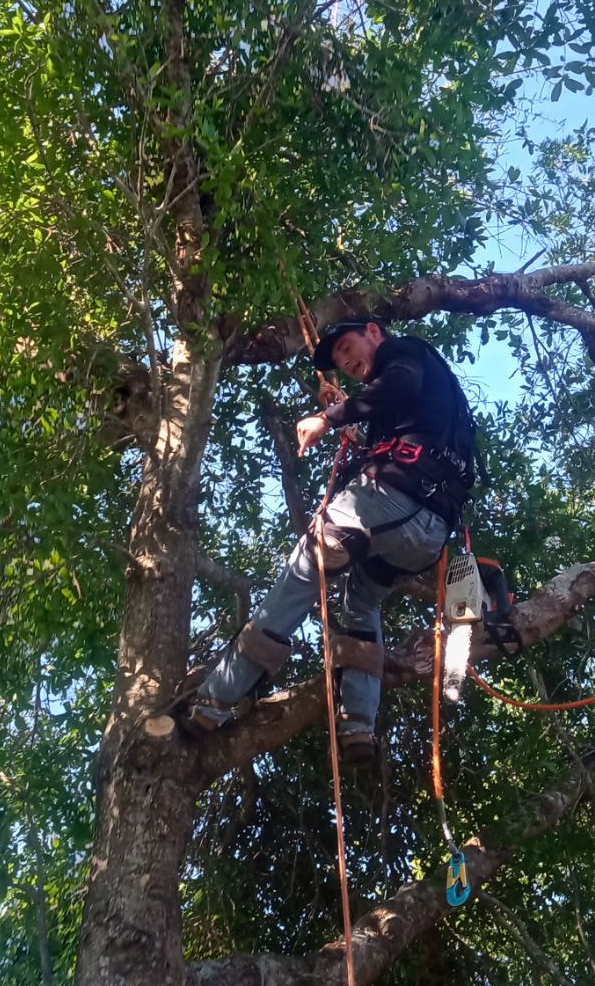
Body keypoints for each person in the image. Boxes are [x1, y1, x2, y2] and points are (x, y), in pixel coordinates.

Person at [180, 318, 479, 761]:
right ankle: (359, 726)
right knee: (361, 600)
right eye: (337, 359)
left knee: (309, 559)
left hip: (393, 499)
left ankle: (215, 699)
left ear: (374, 332)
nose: (345, 360)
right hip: (428, 531)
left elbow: (396, 383)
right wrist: (351, 421)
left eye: (346, 347)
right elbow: (396, 416)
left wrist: (328, 417)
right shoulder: (423, 394)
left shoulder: (404, 353)